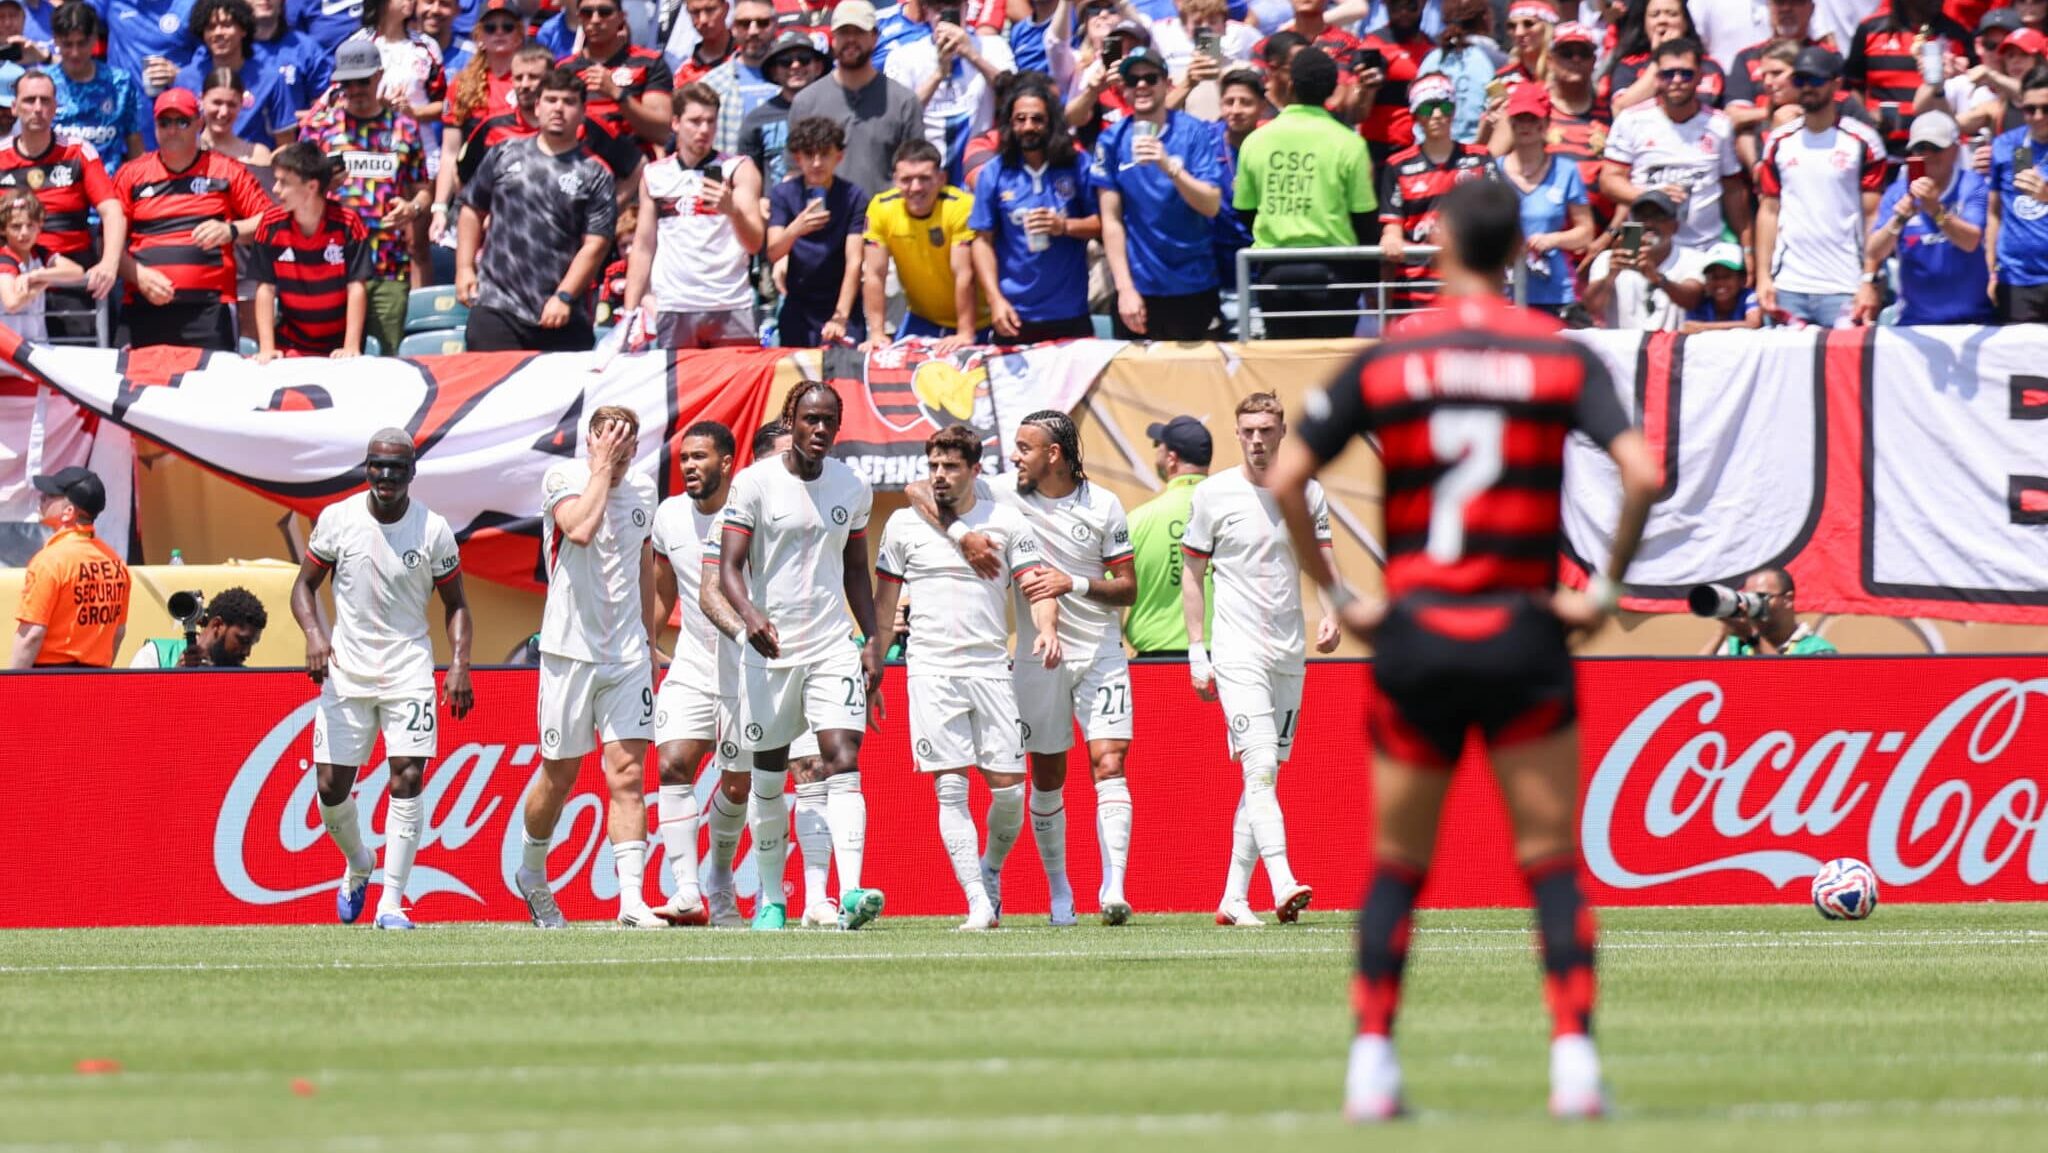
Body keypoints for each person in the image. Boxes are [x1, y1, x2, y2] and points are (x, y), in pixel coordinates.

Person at [1269, 177, 1658, 1122]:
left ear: (1438, 247)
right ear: (1520, 252)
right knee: (1551, 861)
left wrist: (1342, 597)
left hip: (1417, 633)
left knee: (1399, 862)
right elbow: (1643, 470)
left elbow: (1287, 477)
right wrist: (1601, 589)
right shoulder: (1556, 357)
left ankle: (1372, 1064)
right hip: (1523, 632)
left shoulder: (1391, 359)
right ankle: (1573, 1065)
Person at [904, 409, 1138, 926]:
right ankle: (1057, 891)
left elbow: (1127, 588)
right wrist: (962, 532)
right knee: (1045, 778)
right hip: (1035, 657)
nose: (1015, 457)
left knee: (1110, 763)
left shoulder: (1104, 504)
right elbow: (916, 488)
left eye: (1024, 449)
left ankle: (1113, 888)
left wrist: (1071, 583)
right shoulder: (1000, 495)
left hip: (1099, 651)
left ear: (1052, 454)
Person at [872, 424, 1059, 930]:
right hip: (930, 669)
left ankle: (990, 870)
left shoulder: (1007, 520)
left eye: (951, 467)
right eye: (933, 466)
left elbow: (1037, 586)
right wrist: (874, 656)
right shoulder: (904, 525)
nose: (939, 476)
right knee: (950, 790)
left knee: (1009, 792)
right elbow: (885, 600)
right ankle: (977, 900)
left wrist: (1045, 630)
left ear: (976, 470)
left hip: (990, 668)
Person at [716, 381, 887, 933]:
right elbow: (729, 568)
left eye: (829, 422)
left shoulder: (851, 487)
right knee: (768, 780)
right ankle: (771, 898)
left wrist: (872, 640)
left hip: (832, 644)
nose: (819, 430)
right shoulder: (755, 483)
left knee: (843, 756)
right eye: (810, 419)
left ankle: (853, 889)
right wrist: (751, 616)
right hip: (770, 650)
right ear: (791, 419)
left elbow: (857, 570)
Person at [292, 429, 474, 931]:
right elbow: (303, 587)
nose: (386, 477)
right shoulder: (337, 520)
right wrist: (314, 635)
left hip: (409, 670)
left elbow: (456, 605)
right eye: (377, 466)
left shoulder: (432, 529)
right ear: (366, 468)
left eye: (397, 468)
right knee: (330, 788)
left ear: (412, 473)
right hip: (346, 671)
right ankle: (359, 863)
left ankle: (391, 902)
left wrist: (459, 663)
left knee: (408, 777)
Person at [1183, 392, 1337, 927]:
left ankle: (1232, 896)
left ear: (1282, 431)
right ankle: (1283, 880)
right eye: (1247, 430)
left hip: (1289, 651)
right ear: (1237, 432)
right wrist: (1195, 648)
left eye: (1266, 430)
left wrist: (1331, 612)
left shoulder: (1306, 491)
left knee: (1263, 777)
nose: (1256, 440)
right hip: (1236, 650)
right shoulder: (1213, 494)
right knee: (1261, 767)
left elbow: (1322, 559)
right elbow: (1192, 573)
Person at [517, 406, 661, 929]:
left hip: (626, 657)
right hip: (568, 651)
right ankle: (532, 873)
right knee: (560, 775)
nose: (620, 459)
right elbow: (577, 530)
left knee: (627, 776)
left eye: (628, 450)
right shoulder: (564, 477)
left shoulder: (645, 490)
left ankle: (631, 901)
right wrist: (600, 469)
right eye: (611, 447)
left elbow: (642, 562)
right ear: (592, 443)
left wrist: (648, 639)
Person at [647, 419, 743, 928]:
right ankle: (686, 892)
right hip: (691, 660)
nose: (688, 466)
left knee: (736, 784)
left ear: (726, 463)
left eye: (700, 457)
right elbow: (663, 590)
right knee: (672, 766)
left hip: (747, 667)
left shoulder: (750, 510)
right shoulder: (668, 516)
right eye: (684, 458)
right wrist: (648, 643)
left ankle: (720, 882)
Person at [456, 67, 616, 352]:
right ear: (537, 106)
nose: (559, 109)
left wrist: (564, 296)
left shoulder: (596, 173)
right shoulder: (504, 153)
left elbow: (596, 244)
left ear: (582, 111)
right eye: (551, 100)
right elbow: (471, 209)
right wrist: (464, 268)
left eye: (568, 102)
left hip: (560, 315)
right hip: (497, 307)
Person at [1232, 47, 1376, 337]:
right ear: (1333, 90)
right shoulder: (1349, 143)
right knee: (1329, 368)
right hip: (1334, 274)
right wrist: (1367, 278)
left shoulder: (1256, 140)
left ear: (1291, 85)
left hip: (1274, 272)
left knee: (1284, 370)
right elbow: (1365, 218)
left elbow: (1244, 210)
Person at [300, 38, 431, 354]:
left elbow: (424, 189)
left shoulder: (404, 129)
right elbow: (293, 190)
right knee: (324, 361)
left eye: (362, 80)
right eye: (347, 82)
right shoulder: (319, 129)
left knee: (385, 362)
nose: (355, 88)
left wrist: (412, 208)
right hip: (329, 265)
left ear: (379, 76)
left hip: (386, 264)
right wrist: (320, 189)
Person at [116, 87, 269, 350]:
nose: (173, 129)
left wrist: (231, 230)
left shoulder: (226, 170)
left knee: (212, 389)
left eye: (182, 121)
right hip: (142, 304)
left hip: (211, 309)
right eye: (165, 122)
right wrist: (137, 274)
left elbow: (271, 220)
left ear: (199, 123)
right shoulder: (131, 174)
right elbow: (108, 245)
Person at [621, 83, 766, 349]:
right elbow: (643, 248)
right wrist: (629, 313)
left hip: (729, 302)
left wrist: (732, 211)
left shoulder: (738, 169)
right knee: (680, 388)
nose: (704, 130)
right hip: (675, 304)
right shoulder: (655, 175)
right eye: (695, 121)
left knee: (732, 386)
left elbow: (755, 242)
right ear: (676, 123)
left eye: (710, 121)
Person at [1095, 46, 1225, 340]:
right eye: (1132, 80)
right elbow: (1111, 221)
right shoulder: (1111, 140)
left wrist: (1170, 167)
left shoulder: (1193, 132)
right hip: (1140, 290)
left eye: (1150, 78)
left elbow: (1211, 205)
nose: (1141, 85)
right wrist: (1125, 289)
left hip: (1194, 284)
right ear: (1123, 90)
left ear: (1167, 84)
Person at [1754, 46, 1885, 326]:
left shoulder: (1863, 141)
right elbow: (1768, 211)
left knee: (1846, 369)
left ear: (1836, 83)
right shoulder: (1778, 141)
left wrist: (1868, 279)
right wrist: (1764, 277)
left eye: (1815, 80)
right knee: (1786, 370)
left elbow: (1873, 216)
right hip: (1788, 284)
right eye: (1800, 81)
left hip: (1844, 285)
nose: (1806, 88)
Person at [969, 76, 1099, 342]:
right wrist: (995, 300)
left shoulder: (1077, 164)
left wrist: (1064, 226)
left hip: (1069, 312)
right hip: (1014, 314)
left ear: (1051, 122)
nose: (1028, 127)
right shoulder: (995, 172)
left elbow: (1104, 223)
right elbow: (982, 241)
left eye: (1037, 119)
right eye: (1020, 119)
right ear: (1009, 123)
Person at [0, 70, 125, 344]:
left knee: (80, 373)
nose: (37, 109)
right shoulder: (1, 156)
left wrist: (108, 263)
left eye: (45, 101)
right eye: (29, 100)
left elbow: (112, 210)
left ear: (56, 107)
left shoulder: (78, 151)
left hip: (71, 284)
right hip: (15, 285)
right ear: (14, 106)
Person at [1600, 37, 1749, 256]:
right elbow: (1608, 180)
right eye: (1667, 74)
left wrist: (1748, 245)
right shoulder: (1630, 119)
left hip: (1703, 245)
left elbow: (1733, 190)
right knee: (1613, 276)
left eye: (1686, 74)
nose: (1676, 80)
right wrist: (1651, 195)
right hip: (1639, 240)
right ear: (1655, 78)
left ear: (1700, 76)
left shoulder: (1720, 124)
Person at [787, 1, 924, 210]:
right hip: (824, 226)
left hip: (883, 229)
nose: (851, 40)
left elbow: (915, 170)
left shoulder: (903, 101)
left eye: (859, 32)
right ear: (833, 39)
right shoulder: (806, 102)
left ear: (874, 37)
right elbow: (794, 171)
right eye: (843, 32)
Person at [1379, 73, 1495, 317]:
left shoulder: (1480, 159)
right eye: (1427, 108)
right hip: (1414, 293)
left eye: (1444, 106)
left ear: (1453, 111)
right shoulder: (1396, 166)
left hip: (1468, 287)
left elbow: (1497, 218)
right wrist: (1390, 239)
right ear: (1415, 116)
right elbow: (1392, 227)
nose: (1437, 115)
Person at [1867, 110, 1993, 325]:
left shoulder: (1972, 186)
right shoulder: (1898, 192)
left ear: (1954, 149)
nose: (1928, 155)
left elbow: (1971, 241)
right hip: (1915, 322)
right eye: (1920, 148)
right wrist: (1898, 220)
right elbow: (1875, 251)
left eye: (1936, 148)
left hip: (1973, 319)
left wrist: (1936, 211)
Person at [861, 137, 985, 350]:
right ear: (895, 180)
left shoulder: (962, 207)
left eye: (924, 178)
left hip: (980, 321)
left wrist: (965, 333)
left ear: (941, 178)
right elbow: (874, 274)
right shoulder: (880, 208)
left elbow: (964, 273)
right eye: (906, 179)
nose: (915, 187)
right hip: (922, 319)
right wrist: (877, 334)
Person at [250, 142, 371, 359]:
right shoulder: (270, 225)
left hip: (339, 347)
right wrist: (267, 348)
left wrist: (350, 346)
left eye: (283, 182)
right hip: (291, 344)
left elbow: (356, 287)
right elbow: (265, 289)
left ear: (311, 186)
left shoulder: (349, 223)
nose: (275, 189)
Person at [8, 466, 127, 669]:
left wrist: (10, 690)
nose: (42, 499)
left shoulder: (49, 562)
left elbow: (32, 635)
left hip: (51, 681)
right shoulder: (116, 564)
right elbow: (118, 632)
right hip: (96, 681)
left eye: (49, 495)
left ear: (68, 512)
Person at [767, 114, 869, 346]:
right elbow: (773, 252)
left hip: (842, 305)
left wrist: (840, 317)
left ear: (839, 157)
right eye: (809, 155)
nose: (816, 163)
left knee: (844, 378)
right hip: (799, 307)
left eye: (824, 155)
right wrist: (795, 229)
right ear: (798, 158)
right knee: (797, 380)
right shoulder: (783, 194)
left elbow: (854, 261)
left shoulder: (854, 197)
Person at [1497, 83, 1595, 319]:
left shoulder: (1566, 170)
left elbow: (1586, 231)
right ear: (1510, 123)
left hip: (1554, 291)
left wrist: (1553, 239)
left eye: (1533, 119)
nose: (1526, 125)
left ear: (1545, 123)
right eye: (1519, 119)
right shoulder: (1493, 170)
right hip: (1504, 290)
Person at [887, 0, 1014, 179]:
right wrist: (938, 74)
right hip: (925, 174)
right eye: (938, 9)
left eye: (954, 8)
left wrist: (971, 54)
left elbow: (1014, 95)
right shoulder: (903, 56)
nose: (946, 16)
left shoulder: (993, 46)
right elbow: (898, 118)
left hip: (977, 169)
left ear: (966, 9)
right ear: (926, 11)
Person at [1122, 414, 1210, 659]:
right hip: (1228, 662)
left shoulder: (1139, 520)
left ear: (1171, 459)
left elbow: (1110, 592)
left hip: (1157, 664)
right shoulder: (1230, 515)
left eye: (1157, 446)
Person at [1844, 0, 1970, 159]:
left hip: (1937, 156)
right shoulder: (1870, 30)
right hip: (1884, 154)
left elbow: (1972, 94)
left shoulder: (1958, 34)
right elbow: (1852, 87)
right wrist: (1866, 117)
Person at [173, 0, 301, 148]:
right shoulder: (186, 80)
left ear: (243, 29)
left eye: (227, 25)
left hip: (254, 165)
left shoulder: (271, 80)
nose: (218, 33)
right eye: (211, 27)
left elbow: (286, 143)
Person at [1582, 188, 1707, 328]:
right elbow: (1592, 308)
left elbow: (1692, 300)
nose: (1649, 224)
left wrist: (1657, 278)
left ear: (1675, 226)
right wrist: (1611, 276)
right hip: (1624, 347)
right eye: (1642, 217)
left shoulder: (1692, 259)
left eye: (1658, 217)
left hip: (1669, 346)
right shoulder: (1608, 259)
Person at [560, 0, 675, 151]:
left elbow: (661, 133)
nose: (595, 20)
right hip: (578, 164)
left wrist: (617, 93)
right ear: (579, 17)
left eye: (605, 12)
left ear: (621, 17)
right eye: (587, 13)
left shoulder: (650, 62)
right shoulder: (564, 69)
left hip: (632, 165)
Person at [48, 3, 143, 175]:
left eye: (82, 43)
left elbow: (133, 139)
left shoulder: (120, 83)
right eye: (67, 44)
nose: (75, 53)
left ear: (94, 39)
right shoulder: (45, 84)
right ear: (55, 40)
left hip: (108, 188)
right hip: (59, 188)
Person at [1987, 67, 2048, 322]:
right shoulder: (2005, 146)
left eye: (2047, 109)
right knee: (2019, 361)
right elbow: (1993, 212)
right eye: (2029, 109)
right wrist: (1991, 271)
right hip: (2016, 280)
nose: (2038, 117)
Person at [741, 29, 827, 193]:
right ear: (774, 72)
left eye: (804, 59)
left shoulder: (834, 110)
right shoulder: (755, 119)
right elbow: (747, 177)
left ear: (818, 67)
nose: (795, 65)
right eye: (785, 61)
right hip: (775, 212)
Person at [1354, 0, 1434, 172]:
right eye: (1396, 7)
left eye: (1410, 6)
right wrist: (1367, 89)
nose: (1403, 13)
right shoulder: (1373, 45)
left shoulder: (1431, 48)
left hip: (1420, 148)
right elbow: (1359, 111)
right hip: (1381, 150)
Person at [1607, 0, 1728, 112]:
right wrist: (1659, 58)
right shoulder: (1628, 65)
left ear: (1685, 22)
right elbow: (1620, 108)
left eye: (1672, 14)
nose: (1662, 20)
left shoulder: (1708, 66)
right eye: (1655, 15)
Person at [0, 186, 82, 346]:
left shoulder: (40, 254)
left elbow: (77, 271)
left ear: (40, 226)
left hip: (37, 347)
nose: (24, 233)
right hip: (9, 354)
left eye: (30, 225)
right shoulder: (4, 260)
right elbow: (12, 303)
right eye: (16, 226)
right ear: (3, 229)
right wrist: (43, 283)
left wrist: (36, 276)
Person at [1701, 566, 1838, 655]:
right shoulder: (1736, 647)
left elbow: (1789, 686)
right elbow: (1694, 676)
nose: (1753, 604)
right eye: (1749, 597)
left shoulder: (1818, 650)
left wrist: (1752, 637)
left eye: (1761, 597)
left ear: (1788, 599)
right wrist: (1721, 633)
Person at [702, 0, 778, 158]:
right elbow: (705, 147)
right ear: (733, 28)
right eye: (744, 24)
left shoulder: (796, 77)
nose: (753, 31)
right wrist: (713, 181)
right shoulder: (712, 84)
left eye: (762, 23)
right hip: (732, 179)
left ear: (775, 26)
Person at [128, 584, 269, 667]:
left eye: (252, 644)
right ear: (217, 625)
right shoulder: (156, 654)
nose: (247, 652)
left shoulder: (244, 677)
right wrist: (174, 678)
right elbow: (133, 707)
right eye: (243, 641)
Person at [1681, 241, 1762, 330]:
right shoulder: (1699, 301)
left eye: (1726, 277)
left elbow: (1754, 323)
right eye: (1714, 277)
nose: (1720, 283)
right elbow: (1688, 327)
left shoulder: (1749, 296)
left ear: (1742, 279)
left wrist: (1702, 326)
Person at [670, 0, 735, 85]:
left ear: (726, 9)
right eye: (695, 12)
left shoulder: (746, 57)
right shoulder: (682, 74)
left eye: (710, 10)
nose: (703, 19)